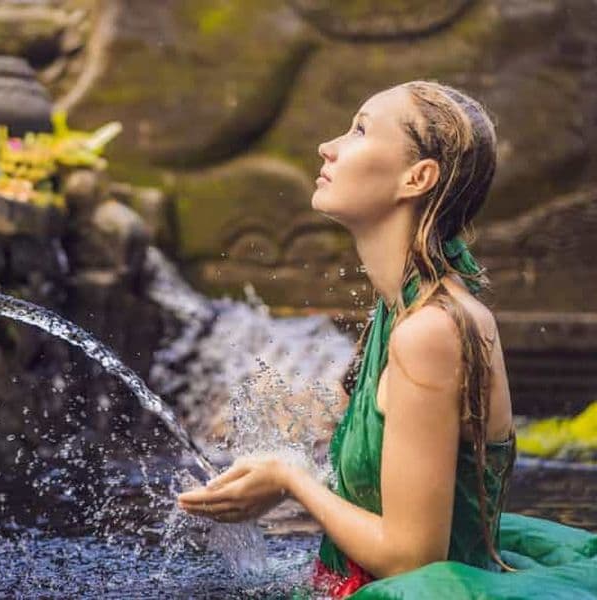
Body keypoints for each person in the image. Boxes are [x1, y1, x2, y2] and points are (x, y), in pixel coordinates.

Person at [178, 81, 597, 599]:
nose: (327, 146)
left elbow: (411, 561)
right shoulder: (400, 309)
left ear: (417, 178)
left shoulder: (432, 330)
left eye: (359, 129)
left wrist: (292, 481)